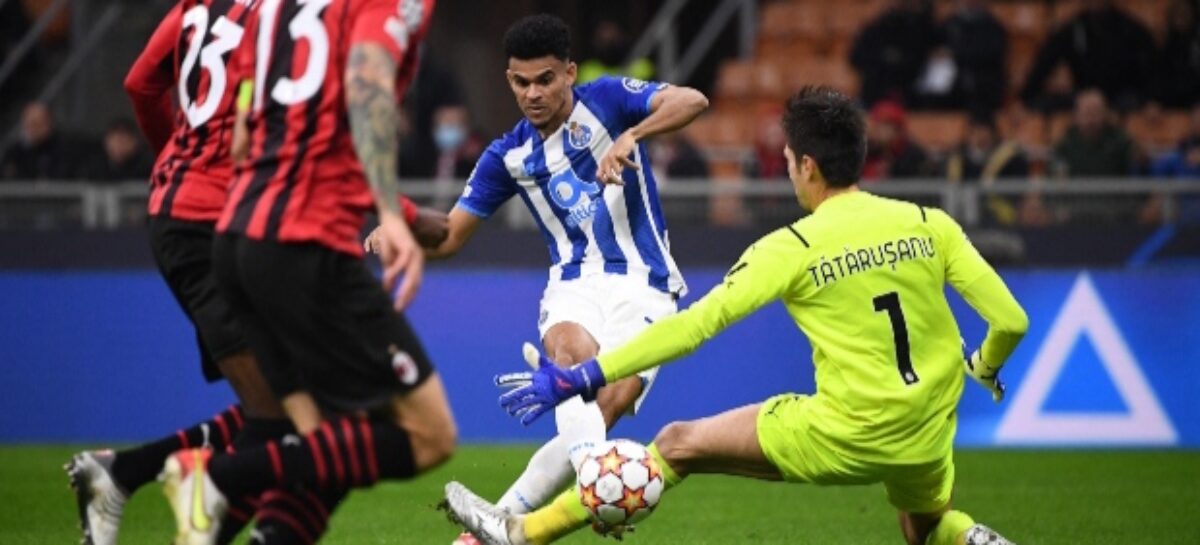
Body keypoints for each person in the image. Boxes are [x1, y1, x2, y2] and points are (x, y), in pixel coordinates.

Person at [446, 86, 1028, 545]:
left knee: (675, 444)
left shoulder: (790, 248)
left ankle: (522, 533)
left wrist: (585, 376)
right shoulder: (930, 223)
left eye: (787, 159)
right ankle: (970, 537)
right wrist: (982, 366)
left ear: (805, 166)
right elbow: (1011, 322)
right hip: (927, 431)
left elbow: (693, 327)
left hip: (844, 433)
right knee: (924, 529)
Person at [366, 14, 708, 545]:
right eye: (521, 82)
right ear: (509, 80)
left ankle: (488, 532)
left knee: (605, 405)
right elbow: (452, 235)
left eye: (545, 79)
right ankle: (601, 487)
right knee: (567, 357)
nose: (533, 93)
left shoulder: (610, 100)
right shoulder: (506, 156)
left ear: (569, 72)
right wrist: (403, 231)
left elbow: (692, 100)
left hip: (646, 282)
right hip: (573, 285)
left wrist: (632, 137)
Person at [156, 1, 456, 544]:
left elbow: (244, 134)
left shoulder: (269, 8)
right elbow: (368, 82)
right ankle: (211, 475)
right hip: (304, 246)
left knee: (319, 446)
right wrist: (391, 212)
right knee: (430, 435)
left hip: (235, 239)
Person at [67, 2, 304, 544]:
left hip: (187, 215)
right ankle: (167, 491)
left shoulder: (198, 6)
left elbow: (140, 83)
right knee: (283, 418)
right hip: (211, 226)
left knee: (284, 402)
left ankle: (124, 473)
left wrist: (177, 153)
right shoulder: (288, 20)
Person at [1020, 0, 1156, 113]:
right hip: (1082, 100)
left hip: (1120, 100)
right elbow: (1044, 64)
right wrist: (1024, 98)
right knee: (1040, 104)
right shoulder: (1073, 29)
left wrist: (1151, 100)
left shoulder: (1131, 29)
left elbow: (1150, 71)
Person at [849, 0, 940, 107]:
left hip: (909, 93)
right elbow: (856, 58)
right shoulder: (872, 31)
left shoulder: (918, 29)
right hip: (874, 93)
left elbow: (924, 57)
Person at [0, 101, 83, 180]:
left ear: (48, 123)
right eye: (28, 124)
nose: (32, 129)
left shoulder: (62, 148)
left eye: (36, 124)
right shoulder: (15, 150)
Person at [862, 100, 933, 180]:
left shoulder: (913, 156)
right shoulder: (868, 151)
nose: (878, 130)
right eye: (876, 125)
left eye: (885, 125)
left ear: (898, 129)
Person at [576, 20, 654, 84]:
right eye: (603, 41)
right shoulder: (586, 72)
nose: (609, 45)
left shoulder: (642, 67)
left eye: (613, 40)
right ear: (595, 42)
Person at [88, 118, 154, 182]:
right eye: (115, 140)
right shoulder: (94, 169)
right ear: (106, 141)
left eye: (124, 140)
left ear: (135, 142)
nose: (119, 145)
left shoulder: (147, 170)